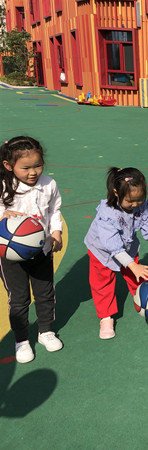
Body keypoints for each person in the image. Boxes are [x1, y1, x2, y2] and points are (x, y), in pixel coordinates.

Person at [85, 167, 148, 339]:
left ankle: (147, 301)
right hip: (102, 251)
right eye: (130, 201)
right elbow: (112, 245)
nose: (135, 205)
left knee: (139, 275)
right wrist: (132, 265)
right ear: (116, 193)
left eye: (139, 200)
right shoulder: (107, 214)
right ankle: (106, 317)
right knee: (103, 284)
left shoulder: (142, 206)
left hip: (128, 247)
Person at [0, 136, 64, 363]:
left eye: (38, 165)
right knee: (19, 299)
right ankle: (21, 340)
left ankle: (45, 331)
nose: (33, 172)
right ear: (8, 165)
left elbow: (54, 210)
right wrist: (3, 214)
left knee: (45, 293)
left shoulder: (49, 184)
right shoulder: (4, 186)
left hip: (42, 251)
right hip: (11, 256)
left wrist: (56, 231)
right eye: (25, 168)